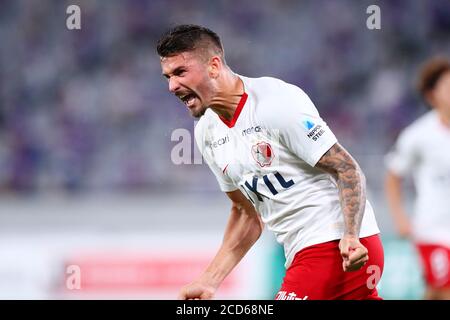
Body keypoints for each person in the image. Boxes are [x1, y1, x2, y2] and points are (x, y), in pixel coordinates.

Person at [157, 24, 383, 300]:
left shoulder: (276, 103)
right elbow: (245, 214)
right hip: (304, 251)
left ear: (214, 66)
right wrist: (209, 280)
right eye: (167, 76)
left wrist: (350, 236)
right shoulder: (207, 131)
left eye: (181, 72)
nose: (172, 86)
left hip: (336, 246)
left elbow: (346, 168)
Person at [385, 57, 450, 300]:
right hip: (433, 229)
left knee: (435, 292)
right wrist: (400, 218)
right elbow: (393, 176)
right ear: (432, 95)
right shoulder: (418, 135)